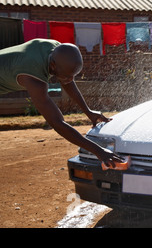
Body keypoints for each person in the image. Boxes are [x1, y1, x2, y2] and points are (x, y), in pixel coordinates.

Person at [0, 38, 124, 168]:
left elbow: (67, 80)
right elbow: (57, 123)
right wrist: (99, 151)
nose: (70, 79)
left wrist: (88, 111)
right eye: (66, 75)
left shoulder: (56, 49)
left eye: (73, 75)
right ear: (53, 65)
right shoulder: (34, 79)